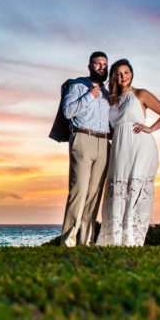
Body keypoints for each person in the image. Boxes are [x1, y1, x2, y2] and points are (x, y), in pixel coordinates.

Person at [97, 59, 160, 246]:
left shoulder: (140, 94)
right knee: (118, 191)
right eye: (119, 73)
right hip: (119, 149)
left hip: (140, 146)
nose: (123, 76)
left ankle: (132, 240)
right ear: (114, 76)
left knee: (134, 192)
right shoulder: (111, 100)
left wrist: (150, 128)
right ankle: (115, 239)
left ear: (132, 74)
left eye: (127, 72)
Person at [58, 51, 111, 247]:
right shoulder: (78, 85)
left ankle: (86, 241)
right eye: (97, 64)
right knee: (78, 190)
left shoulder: (108, 93)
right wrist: (90, 95)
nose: (101, 67)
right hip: (82, 138)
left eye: (104, 64)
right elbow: (67, 112)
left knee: (94, 194)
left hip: (104, 143)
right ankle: (68, 242)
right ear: (90, 66)